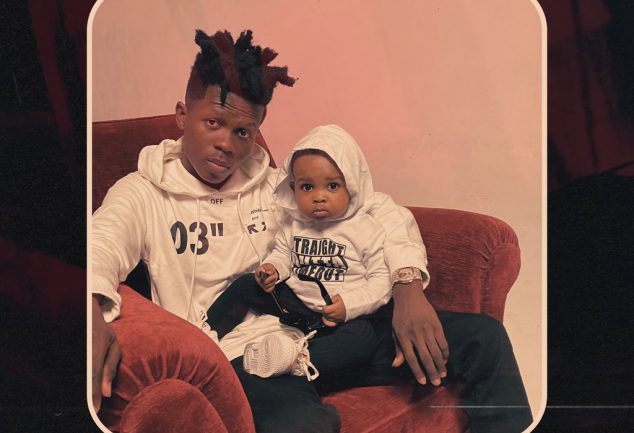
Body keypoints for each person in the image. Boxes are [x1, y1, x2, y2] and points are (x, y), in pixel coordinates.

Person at [91, 29, 533, 433]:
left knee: (484, 339)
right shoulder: (142, 193)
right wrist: (90, 314)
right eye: (213, 123)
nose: (227, 143)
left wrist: (407, 287)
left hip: (324, 329)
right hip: (247, 359)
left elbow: (376, 209)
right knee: (303, 425)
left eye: (243, 131)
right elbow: (100, 245)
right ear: (182, 115)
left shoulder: (274, 185)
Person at [205, 124, 396, 384]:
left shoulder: (364, 228)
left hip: (342, 317)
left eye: (332, 186)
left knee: (362, 338)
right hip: (297, 307)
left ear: (351, 185)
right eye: (307, 188)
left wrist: (349, 306)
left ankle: (296, 361)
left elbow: (381, 281)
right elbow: (283, 254)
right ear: (293, 187)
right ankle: (202, 337)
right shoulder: (294, 224)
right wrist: (272, 269)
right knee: (247, 284)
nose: (319, 197)